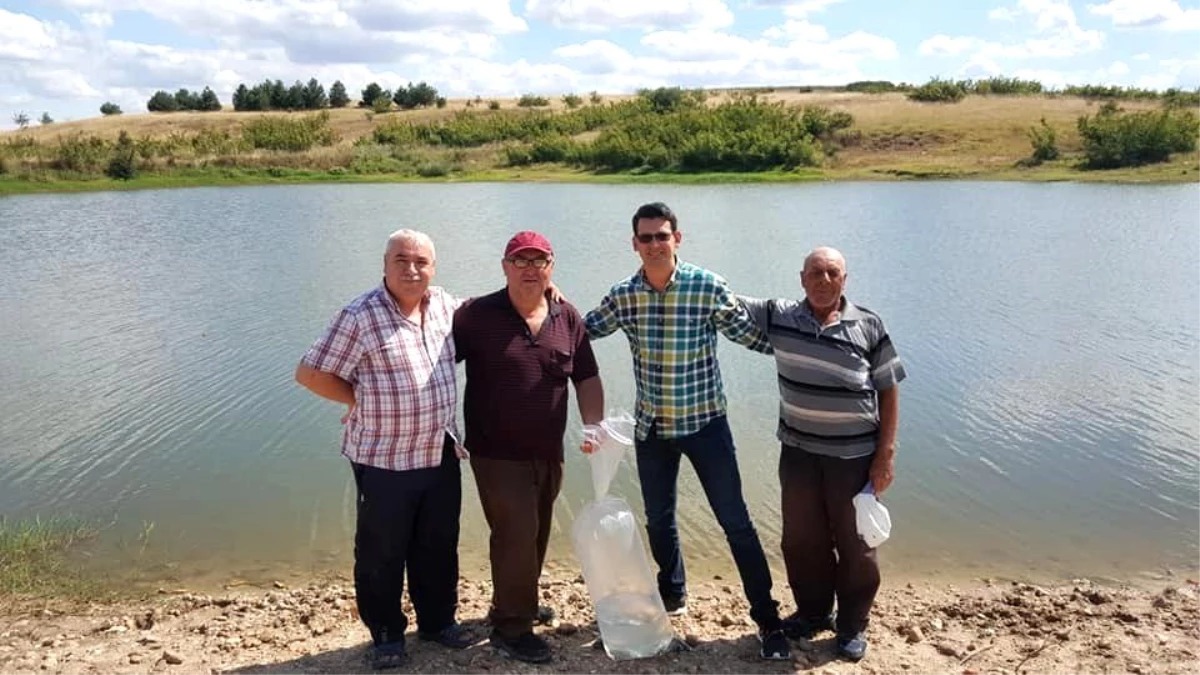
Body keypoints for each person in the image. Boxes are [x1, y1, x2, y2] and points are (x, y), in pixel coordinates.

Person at [583, 202, 792, 661]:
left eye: (662, 236)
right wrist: (543, 307)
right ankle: (672, 591)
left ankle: (767, 619)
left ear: (678, 238)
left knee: (734, 520)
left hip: (705, 425)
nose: (655, 244)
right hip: (653, 428)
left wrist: (811, 340)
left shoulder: (706, 286)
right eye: (646, 238)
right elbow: (580, 334)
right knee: (659, 519)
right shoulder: (624, 295)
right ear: (634, 244)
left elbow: (751, 337)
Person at [294, 229, 473, 671]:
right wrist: (359, 400)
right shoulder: (359, 315)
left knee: (438, 544)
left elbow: (496, 311)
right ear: (385, 264)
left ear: (433, 268)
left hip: (439, 449)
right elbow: (311, 373)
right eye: (401, 260)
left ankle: (437, 621)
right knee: (382, 550)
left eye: (421, 261)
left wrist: (546, 286)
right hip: (383, 457)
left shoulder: (446, 307)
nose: (412, 269)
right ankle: (388, 633)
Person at [740, 246, 906, 662]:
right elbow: (721, 297)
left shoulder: (868, 325)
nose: (823, 280)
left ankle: (852, 626)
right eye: (815, 273)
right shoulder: (781, 317)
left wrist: (885, 454)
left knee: (856, 546)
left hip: (854, 459)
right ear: (801, 278)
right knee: (800, 542)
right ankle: (814, 613)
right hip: (797, 454)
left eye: (832, 273)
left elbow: (889, 387)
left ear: (845, 280)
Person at [453, 230, 605, 664]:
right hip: (495, 452)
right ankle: (511, 629)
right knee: (515, 533)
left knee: (535, 530)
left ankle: (516, 600)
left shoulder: (567, 316)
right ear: (504, 266)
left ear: (551, 268)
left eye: (539, 261)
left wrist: (592, 427)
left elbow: (587, 376)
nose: (529, 269)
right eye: (520, 261)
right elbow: (433, 355)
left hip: (548, 449)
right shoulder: (477, 316)